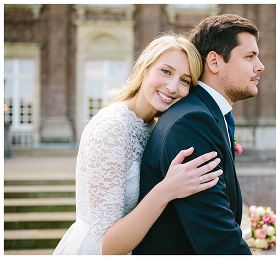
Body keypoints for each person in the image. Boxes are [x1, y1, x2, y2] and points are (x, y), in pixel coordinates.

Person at [53, 35, 224, 255]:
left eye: (184, 80)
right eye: (166, 71)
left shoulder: (151, 125)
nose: (172, 87)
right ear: (144, 68)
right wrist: (167, 189)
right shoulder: (112, 127)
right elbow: (107, 247)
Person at [134, 14, 264, 254]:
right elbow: (216, 236)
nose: (260, 66)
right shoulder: (192, 122)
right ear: (214, 62)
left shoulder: (216, 114)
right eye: (249, 57)